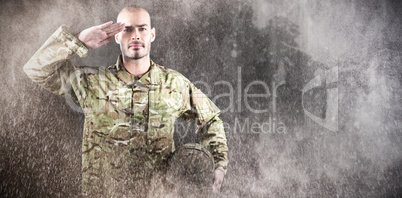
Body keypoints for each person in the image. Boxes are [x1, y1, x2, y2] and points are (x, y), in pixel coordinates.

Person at [24, 5, 228, 197]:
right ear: (117, 36)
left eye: (142, 28)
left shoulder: (174, 84)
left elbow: (211, 120)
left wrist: (218, 165)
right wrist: (78, 40)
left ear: (152, 34)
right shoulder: (91, 83)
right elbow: (36, 69)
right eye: (128, 29)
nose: (136, 35)